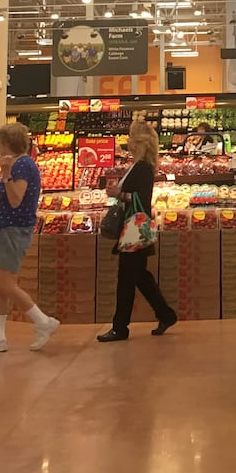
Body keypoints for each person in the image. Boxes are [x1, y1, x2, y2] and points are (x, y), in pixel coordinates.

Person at [0, 123, 59, 353]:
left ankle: (42, 321)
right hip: (5, 227)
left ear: (8, 143)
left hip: (13, 229)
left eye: (0, 142)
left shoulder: (21, 165)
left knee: (5, 283)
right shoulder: (22, 163)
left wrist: (7, 175)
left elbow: (16, 199)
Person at [97, 119, 178, 342]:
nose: (128, 141)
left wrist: (118, 194)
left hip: (135, 228)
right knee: (140, 276)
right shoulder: (139, 165)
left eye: (131, 137)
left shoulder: (142, 168)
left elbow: (140, 198)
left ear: (139, 142)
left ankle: (120, 328)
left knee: (126, 278)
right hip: (136, 226)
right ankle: (166, 314)